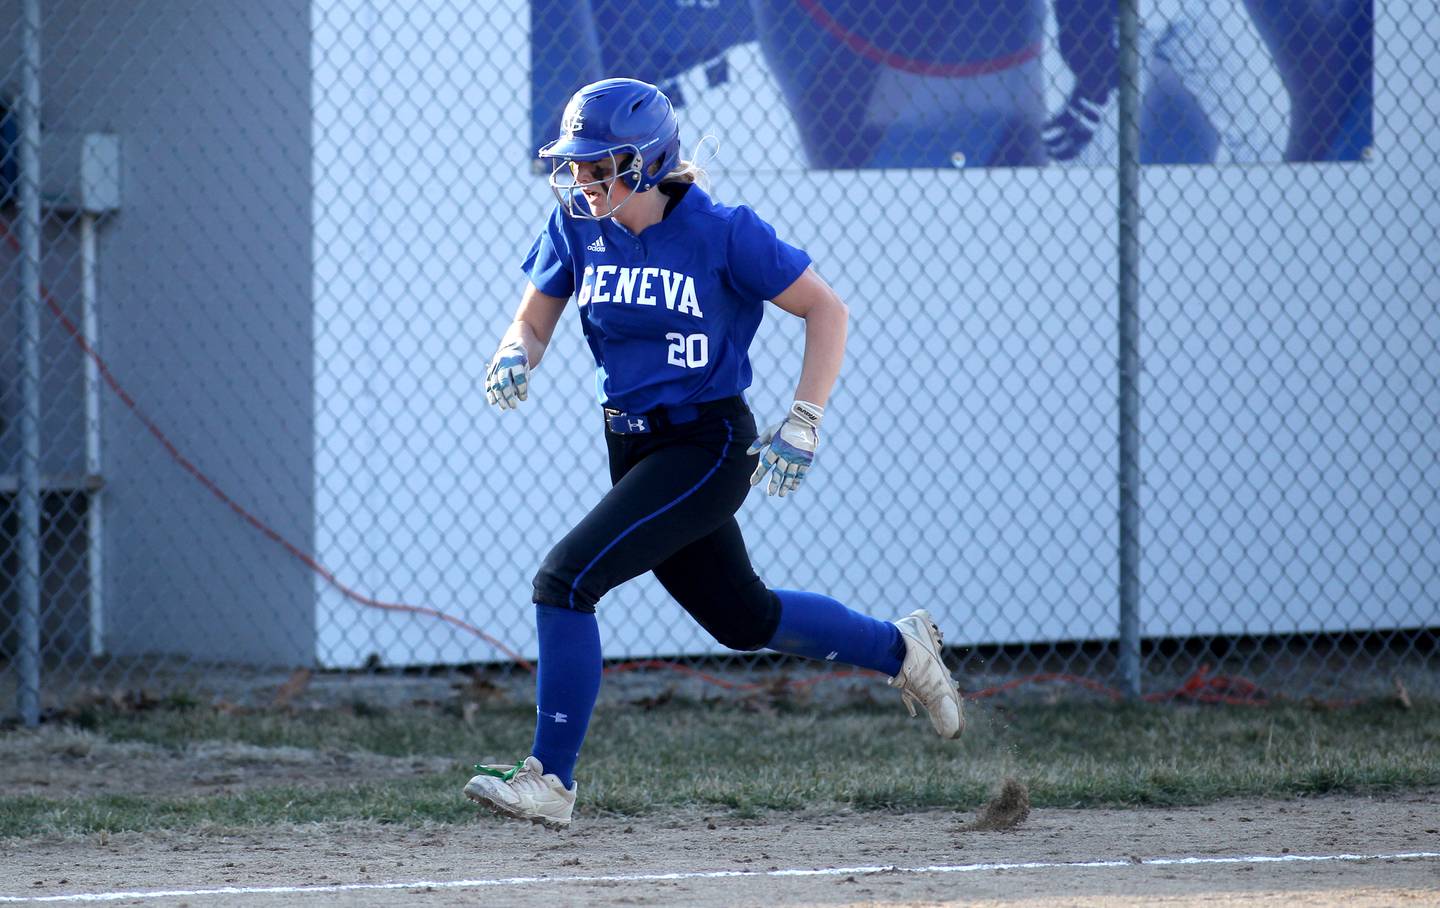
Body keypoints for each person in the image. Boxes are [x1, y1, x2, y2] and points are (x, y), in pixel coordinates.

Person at [462, 77, 964, 830]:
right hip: (630, 444)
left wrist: (804, 419)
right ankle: (902, 648)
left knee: (564, 581)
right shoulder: (576, 227)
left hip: (706, 442)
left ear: (651, 158)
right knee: (742, 617)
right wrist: (513, 351)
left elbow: (826, 308)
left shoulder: (723, 230)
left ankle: (550, 779)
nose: (587, 178)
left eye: (605, 163)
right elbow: (533, 322)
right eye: (581, 164)